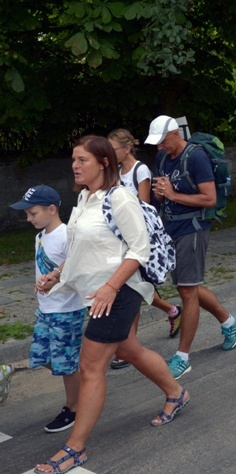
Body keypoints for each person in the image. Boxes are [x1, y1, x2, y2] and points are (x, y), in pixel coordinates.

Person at [34, 136, 189, 473]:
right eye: (73, 160)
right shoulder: (85, 199)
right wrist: (57, 275)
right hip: (100, 292)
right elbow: (78, 249)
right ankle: (176, 393)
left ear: (104, 162)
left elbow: (139, 249)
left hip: (120, 292)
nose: (75, 166)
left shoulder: (120, 198)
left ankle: (75, 449)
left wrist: (110, 287)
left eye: (82, 160)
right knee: (129, 349)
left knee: (90, 367)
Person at [146, 115, 236, 379]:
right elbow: (162, 193)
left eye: (163, 141)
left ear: (176, 133)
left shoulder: (196, 157)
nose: (159, 147)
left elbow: (209, 198)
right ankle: (230, 322)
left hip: (193, 228)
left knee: (187, 292)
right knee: (189, 286)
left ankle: (182, 357)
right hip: (172, 228)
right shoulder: (163, 158)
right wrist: (160, 194)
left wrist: (173, 195)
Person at [9, 186, 86, 432]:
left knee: (65, 363)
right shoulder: (40, 237)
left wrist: (56, 274)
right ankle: (83, 380)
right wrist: (40, 282)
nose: (29, 218)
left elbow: (77, 261)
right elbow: (44, 266)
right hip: (46, 307)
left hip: (66, 309)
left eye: (33, 213)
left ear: (51, 209)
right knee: (40, 357)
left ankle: (74, 409)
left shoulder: (66, 234)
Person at [107, 129, 182, 371]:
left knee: (134, 287)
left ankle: (129, 345)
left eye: (113, 149)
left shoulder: (140, 170)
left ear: (126, 149)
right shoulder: (117, 171)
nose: (109, 154)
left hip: (139, 237)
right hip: (123, 236)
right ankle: (172, 310)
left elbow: (144, 204)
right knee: (137, 286)